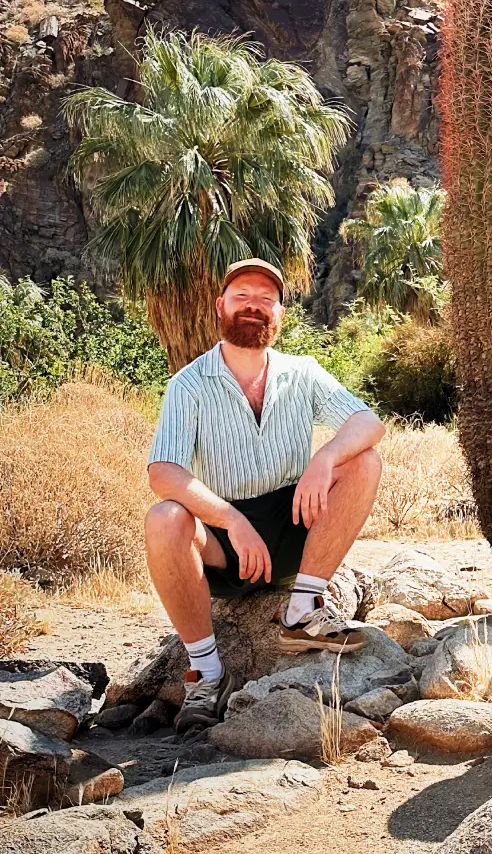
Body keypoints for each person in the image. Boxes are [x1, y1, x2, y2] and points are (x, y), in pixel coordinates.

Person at [145, 258, 385, 731]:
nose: (253, 307)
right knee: (164, 517)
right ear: (221, 306)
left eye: (265, 299)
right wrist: (232, 520)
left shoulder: (304, 372)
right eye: (242, 297)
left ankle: (302, 609)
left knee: (365, 459)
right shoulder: (188, 384)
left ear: (279, 312)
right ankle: (207, 673)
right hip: (224, 544)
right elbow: (164, 472)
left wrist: (325, 458)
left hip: (294, 522)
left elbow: (368, 422)